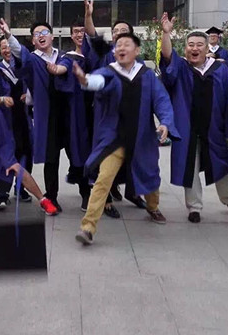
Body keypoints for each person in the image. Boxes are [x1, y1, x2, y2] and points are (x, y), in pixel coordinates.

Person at [71, 30, 179, 245]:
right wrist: (85, 79)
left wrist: (165, 122)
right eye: (118, 45)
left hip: (141, 138)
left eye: (126, 44)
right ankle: (88, 227)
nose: (121, 48)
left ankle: (153, 207)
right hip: (114, 140)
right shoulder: (110, 72)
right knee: (103, 180)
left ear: (136, 50)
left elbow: (161, 100)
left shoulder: (147, 75)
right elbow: (98, 81)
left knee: (150, 176)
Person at [158, 13, 228, 223]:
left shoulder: (220, 70)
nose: (194, 49)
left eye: (199, 45)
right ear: (185, 48)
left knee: (222, 163)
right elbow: (167, 57)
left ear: (207, 48)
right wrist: (166, 34)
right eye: (190, 45)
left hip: (214, 126)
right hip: (188, 127)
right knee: (190, 166)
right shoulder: (181, 67)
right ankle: (194, 207)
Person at [0, 18, 71, 212]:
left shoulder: (64, 56)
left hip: (70, 115)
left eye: (44, 32)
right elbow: (19, 52)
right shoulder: (32, 59)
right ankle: (52, 196)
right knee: (51, 158)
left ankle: (86, 193)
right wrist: (9, 35)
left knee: (77, 154)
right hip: (48, 116)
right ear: (33, 40)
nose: (41, 36)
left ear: (52, 36)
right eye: (37, 34)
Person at [81, 0, 147, 209]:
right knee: (106, 154)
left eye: (123, 30)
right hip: (106, 115)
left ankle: (132, 191)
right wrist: (89, 15)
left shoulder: (137, 61)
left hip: (130, 115)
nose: (118, 33)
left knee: (131, 155)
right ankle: (107, 199)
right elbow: (92, 35)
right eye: (115, 30)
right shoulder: (106, 51)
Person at [56, 21, 120, 218]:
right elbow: (61, 73)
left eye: (82, 32)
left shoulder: (101, 55)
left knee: (104, 153)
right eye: (76, 32)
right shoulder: (68, 58)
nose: (79, 35)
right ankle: (86, 192)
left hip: (101, 112)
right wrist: (57, 70)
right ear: (71, 36)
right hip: (78, 114)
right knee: (81, 153)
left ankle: (108, 193)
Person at [0, 37, 33, 203]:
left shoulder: (24, 71)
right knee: (5, 156)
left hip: (24, 120)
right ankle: (2, 193)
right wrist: (1, 99)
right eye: (4, 47)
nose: (7, 51)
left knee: (25, 153)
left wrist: (29, 95)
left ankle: (21, 188)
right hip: (5, 122)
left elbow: (35, 89)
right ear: (0, 50)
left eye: (10, 47)